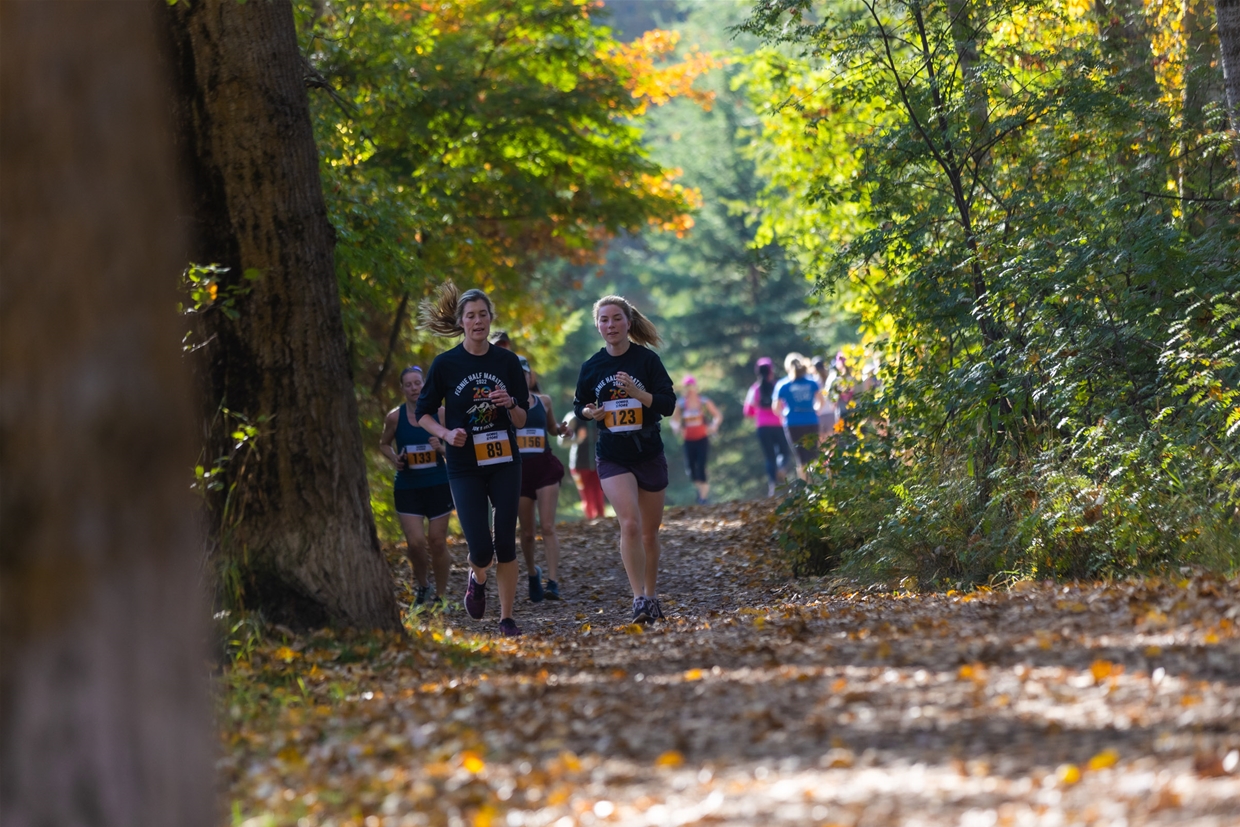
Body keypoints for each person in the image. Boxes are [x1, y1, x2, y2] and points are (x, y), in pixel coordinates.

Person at [415, 283, 529, 637]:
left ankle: (506, 618)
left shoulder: (507, 362)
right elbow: (423, 413)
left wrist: (510, 403)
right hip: (464, 464)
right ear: (461, 322)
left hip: (504, 459)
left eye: (482, 315)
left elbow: (522, 418)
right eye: (470, 316)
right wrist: (447, 434)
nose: (477, 321)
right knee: (481, 549)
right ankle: (477, 578)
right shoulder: (445, 364)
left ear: (490, 319)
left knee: (505, 542)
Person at [573, 295, 676, 624]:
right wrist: (589, 412)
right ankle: (638, 599)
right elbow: (580, 405)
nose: (611, 325)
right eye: (604, 320)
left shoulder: (647, 361)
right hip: (612, 454)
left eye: (616, 318)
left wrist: (637, 393)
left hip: (648, 451)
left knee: (649, 533)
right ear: (597, 326)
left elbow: (668, 404)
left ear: (628, 323)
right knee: (629, 524)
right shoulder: (592, 367)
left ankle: (652, 594)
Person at [379, 366, 454, 607]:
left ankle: (440, 596)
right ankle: (423, 585)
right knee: (415, 543)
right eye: (409, 384)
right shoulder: (394, 417)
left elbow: (458, 443)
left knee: (437, 542)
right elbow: (384, 444)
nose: (414, 388)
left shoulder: (441, 414)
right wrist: (395, 459)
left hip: (438, 484)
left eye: (418, 383)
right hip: (408, 487)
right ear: (402, 389)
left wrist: (442, 448)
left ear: (425, 385)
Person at [516, 354, 570, 601]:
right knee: (527, 532)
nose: (521, 378)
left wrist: (561, 430)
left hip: (544, 467)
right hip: (519, 472)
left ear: (531, 376)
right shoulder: (503, 405)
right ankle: (532, 573)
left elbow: (551, 428)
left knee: (547, 526)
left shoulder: (543, 401)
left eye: (524, 374)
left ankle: (553, 581)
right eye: (516, 375)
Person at [743, 357, 791, 497]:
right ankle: (782, 469)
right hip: (779, 425)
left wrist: (758, 412)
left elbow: (747, 411)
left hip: (763, 427)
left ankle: (772, 486)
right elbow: (785, 405)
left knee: (770, 457)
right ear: (771, 371)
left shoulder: (755, 389)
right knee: (784, 452)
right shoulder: (778, 386)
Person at [669, 375, 721, 504]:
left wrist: (714, 425)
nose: (690, 389)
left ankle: (703, 497)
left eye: (691, 386)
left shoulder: (704, 402)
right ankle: (700, 491)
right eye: (687, 387)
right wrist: (676, 427)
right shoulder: (681, 404)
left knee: (701, 466)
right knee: (691, 469)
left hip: (702, 438)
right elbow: (673, 421)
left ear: (696, 387)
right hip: (688, 440)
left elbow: (717, 416)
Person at [776, 353, 822, 480]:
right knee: (813, 454)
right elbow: (821, 402)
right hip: (811, 421)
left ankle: (806, 485)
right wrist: (815, 410)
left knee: (801, 457)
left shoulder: (783, 385)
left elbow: (776, 408)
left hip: (793, 423)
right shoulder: (812, 383)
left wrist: (784, 416)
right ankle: (817, 483)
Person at [562, 411, 605, 519]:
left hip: (599, 464)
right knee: (587, 496)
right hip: (578, 466)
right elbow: (562, 442)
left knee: (599, 495)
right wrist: (578, 439)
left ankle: (602, 522)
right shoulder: (572, 418)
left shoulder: (599, 415)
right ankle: (590, 522)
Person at [811, 355, 839, 441]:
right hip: (831, 412)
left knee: (821, 440)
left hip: (819, 413)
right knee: (832, 439)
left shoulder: (813, 381)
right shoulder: (831, 378)